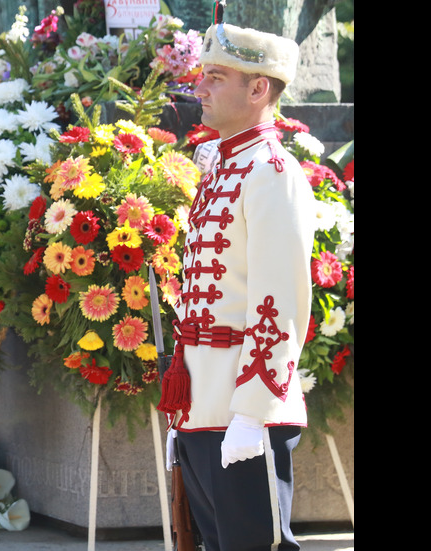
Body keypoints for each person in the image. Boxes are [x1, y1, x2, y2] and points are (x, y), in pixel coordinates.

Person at [157, 15, 315, 551]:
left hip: (248, 408)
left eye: (216, 77)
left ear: (258, 88)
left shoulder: (271, 171)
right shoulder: (224, 168)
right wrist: (188, 410)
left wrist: (253, 413)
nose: (199, 87)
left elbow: (280, 300)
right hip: (203, 404)